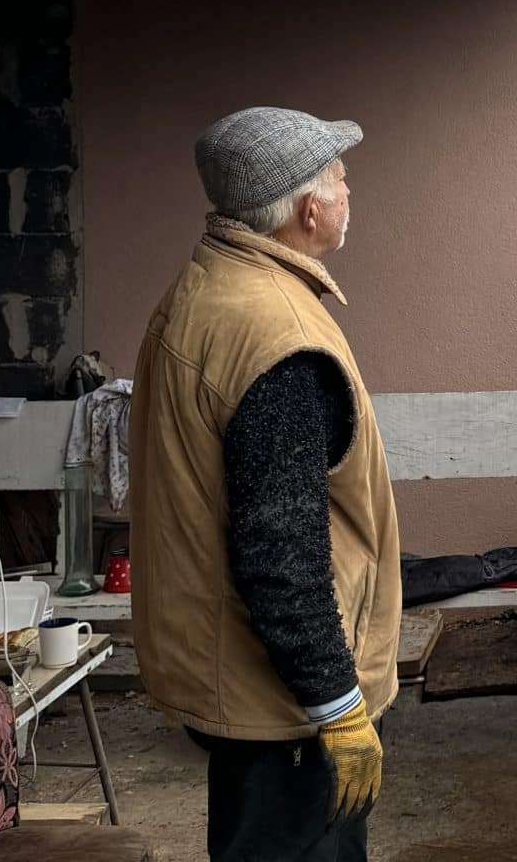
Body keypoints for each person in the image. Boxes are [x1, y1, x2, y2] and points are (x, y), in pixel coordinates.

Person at [130, 107, 401, 862]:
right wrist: (338, 706)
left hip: (246, 688)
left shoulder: (209, 289)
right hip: (284, 708)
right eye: (343, 180)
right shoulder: (277, 336)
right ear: (308, 208)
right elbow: (280, 552)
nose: (351, 193)